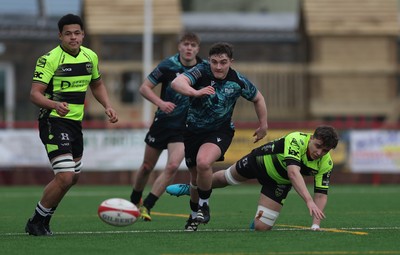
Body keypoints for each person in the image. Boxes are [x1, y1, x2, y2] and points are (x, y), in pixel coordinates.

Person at [26, 14, 118, 236]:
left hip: (75, 124)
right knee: (66, 175)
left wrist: (107, 105)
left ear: (83, 34)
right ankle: (36, 221)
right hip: (53, 121)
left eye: (77, 33)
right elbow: (34, 94)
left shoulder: (90, 57)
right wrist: (54, 105)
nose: (73, 37)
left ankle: (43, 219)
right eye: (68, 33)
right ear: (60, 36)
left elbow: (97, 84)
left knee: (72, 177)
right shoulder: (49, 59)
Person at [170, 42, 268, 231]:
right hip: (192, 131)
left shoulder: (238, 81)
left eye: (223, 62)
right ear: (209, 61)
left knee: (204, 163)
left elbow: (258, 98)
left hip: (219, 131)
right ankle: (193, 216)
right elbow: (177, 83)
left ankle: (204, 206)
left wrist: (263, 125)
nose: (218, 67)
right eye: (214, 62)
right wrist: (195, 92)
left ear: (230, 62)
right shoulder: (200, 71)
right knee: (195, 179)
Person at [167, 125, 339, 231]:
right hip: (258, 162)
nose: (319, 153)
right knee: (224, 179)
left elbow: (321, 195)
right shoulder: (296, 139)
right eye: (318, 146)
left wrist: (316, 224)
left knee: (261, 228)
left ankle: (258, 218)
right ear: (311, 138)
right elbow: (293, 172)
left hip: (279, 182)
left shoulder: (326, 163)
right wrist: (308, 201)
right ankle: (192, 187)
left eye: (325, 150)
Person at [129, 32, 205, 221]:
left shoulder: (204, 69)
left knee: (172, 166)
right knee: (147, 166)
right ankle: (134, 199)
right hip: (162, 123)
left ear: (198, 49)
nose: (189, 48)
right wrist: (160, 103)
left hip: (184, 128)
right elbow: (144, 88)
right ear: (179, 46)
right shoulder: (167, 65)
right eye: (186, 44)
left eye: (193, 45)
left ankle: (147, 205)